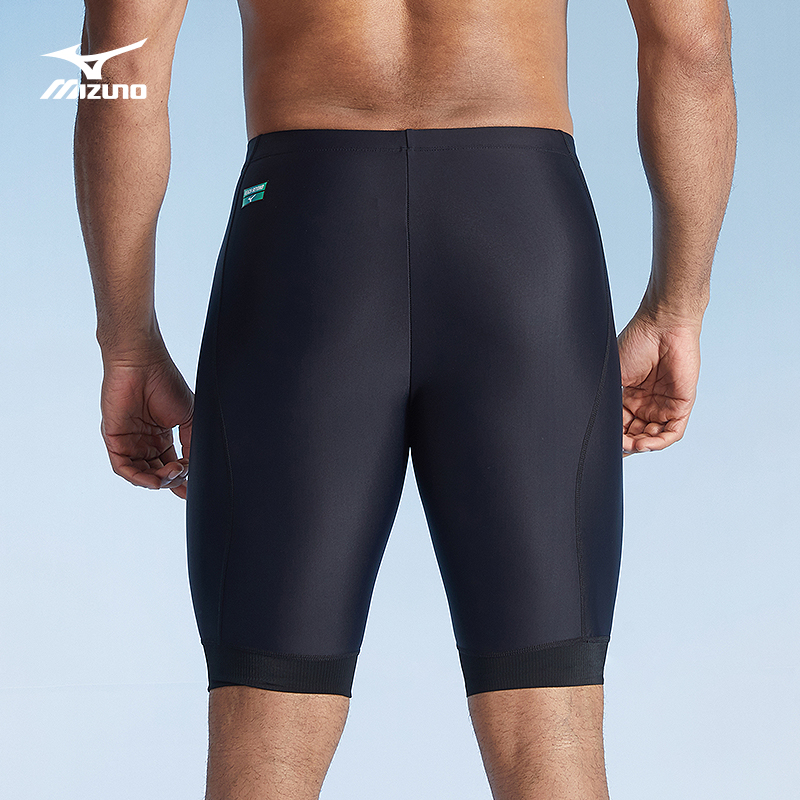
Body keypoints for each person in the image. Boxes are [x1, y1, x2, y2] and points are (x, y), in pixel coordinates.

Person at [74, 0, 736, 796]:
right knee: (549, 738)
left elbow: (119, 66)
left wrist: (127, 341)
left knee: (265, 743)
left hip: (305, 235)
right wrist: (677, 307)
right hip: (522, 237)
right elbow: (693, 46)